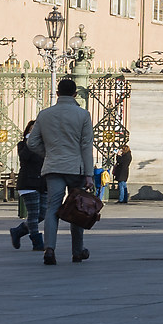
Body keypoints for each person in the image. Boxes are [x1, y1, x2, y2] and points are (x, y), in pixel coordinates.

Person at [22, 76, 96, 264]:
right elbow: (86, 145)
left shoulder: (45, 114)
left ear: (57, 94)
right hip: (76, 168)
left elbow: (32, 142)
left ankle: (49, 249)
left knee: (52, 208)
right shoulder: (83, 115)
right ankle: (77, 250)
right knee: (77, 207)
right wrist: (89, 174)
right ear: (75, 94)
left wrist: (47, 153)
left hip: (53, 166)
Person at [8, 135, 47, 253]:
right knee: (34, 215)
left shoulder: (46, 144)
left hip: (42, 183)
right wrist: (30, 141)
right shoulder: (23, 144)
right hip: (28, 183)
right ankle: (37, 242)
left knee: (42, 214)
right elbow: (24, 157)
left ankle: (18, 231)